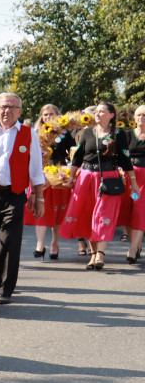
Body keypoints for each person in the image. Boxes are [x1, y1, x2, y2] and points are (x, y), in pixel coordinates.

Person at [0, 93, 47, 304]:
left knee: (8, 243)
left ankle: (4, 289)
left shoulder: (28, 134)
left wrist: (38, 197)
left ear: (20, 111)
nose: (7, 111)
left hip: (14, 194)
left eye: (12, 107)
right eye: (3, 107)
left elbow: (35, 169)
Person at [59, 102, 139, 270]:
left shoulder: (119, 134)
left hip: (109, 179)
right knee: (89, 216)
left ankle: (100, 254)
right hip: (86, 178)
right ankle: (93, 254)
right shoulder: (87, 132)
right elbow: (78, 157)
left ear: (111, 115)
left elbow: (125, 159)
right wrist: (71, 177)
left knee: (103, 214)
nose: (98, 114)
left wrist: (133, 183)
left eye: (102, 111)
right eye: (96, 111)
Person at [26, 104, 77, 259]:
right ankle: (40, 244)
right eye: (45, 114)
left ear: (58, 115)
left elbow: (73, 154)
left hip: (59, 174)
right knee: (40, 208)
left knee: (58, 211)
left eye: (51, 114)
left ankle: (55, 242)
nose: (48, 117)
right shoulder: (35, 133)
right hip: (40, 174)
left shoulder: (65, 133)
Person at [120, 105, 145, 263]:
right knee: (128, 212)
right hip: (129, 176)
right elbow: (121, 155)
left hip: (144, 178)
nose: (141, 118)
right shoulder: (127, 135)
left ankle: (132, 248)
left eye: (144, 115)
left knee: (139, 210)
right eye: (138, 115)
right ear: (134, 118)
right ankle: (135, 244)